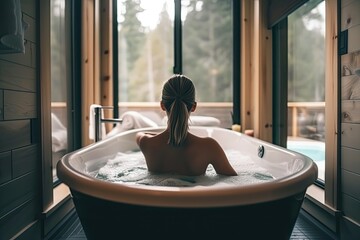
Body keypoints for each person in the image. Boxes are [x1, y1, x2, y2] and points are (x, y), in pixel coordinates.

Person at [136, 74, 237, 176]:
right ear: (193, 106)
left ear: (162, 105)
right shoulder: (209, 147)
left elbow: (139, 134)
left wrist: (166, 134)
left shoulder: (146, 142)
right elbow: (235, 183)